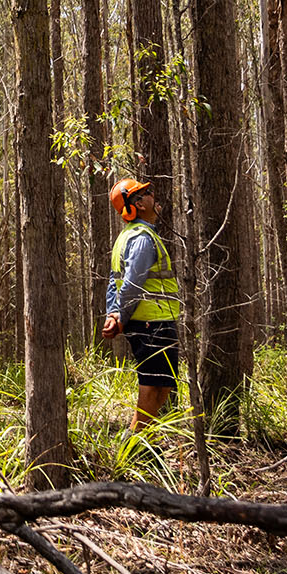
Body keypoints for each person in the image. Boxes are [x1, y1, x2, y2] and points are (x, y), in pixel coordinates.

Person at [98, 178, 180, 430]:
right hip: (150, 322)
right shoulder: (142, 239)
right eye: (146, 193)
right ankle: (134, 445)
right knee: (152, 384)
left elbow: (115, 282)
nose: (153, 197)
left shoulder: (128, 237)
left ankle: (146, 442)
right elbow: (131, 283)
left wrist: (113, 313)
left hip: (155, 320)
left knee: (163, 383)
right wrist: (119, 317)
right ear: (138, 205)